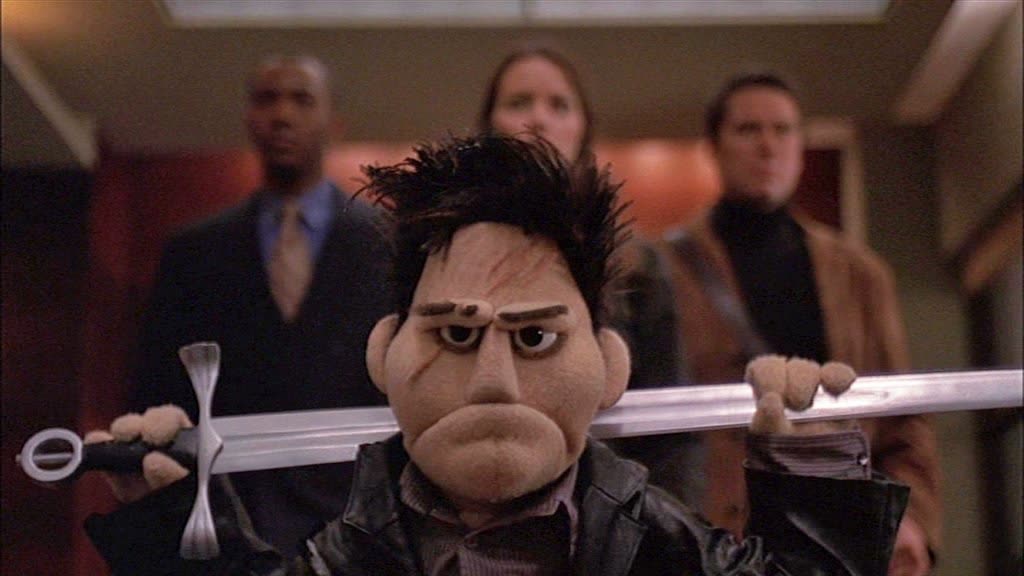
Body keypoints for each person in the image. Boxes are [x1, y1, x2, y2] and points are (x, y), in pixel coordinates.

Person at [85, 133, 908, 575]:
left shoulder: (654, 547)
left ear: (609, 365)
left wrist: (813, 470)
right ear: (385, 352)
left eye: (536, 337)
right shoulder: (351, 555)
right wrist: (167, 518)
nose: (492, 379)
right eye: (454, 333)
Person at [662, 72, 941, 575]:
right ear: (715, 147)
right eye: (748, 129)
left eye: (783, 130)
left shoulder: (858, 273)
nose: (768, 145)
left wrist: (911, 516)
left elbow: (901, 415)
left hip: (841, 520)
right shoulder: (666, 269)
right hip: (712, 533)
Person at [129, 54, 393, 557]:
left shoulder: (391, 242)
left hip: (357, 520)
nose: (283, 115)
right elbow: (156, 391)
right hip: (224, 517)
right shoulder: (193, 251)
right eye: (268, 100)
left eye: (302, 100)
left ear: (334, 122)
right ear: (249, 118)